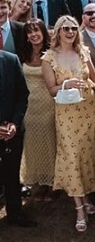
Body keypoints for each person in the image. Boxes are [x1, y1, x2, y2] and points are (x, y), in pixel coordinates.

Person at [41, 16, 95, 232]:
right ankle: (79, 207)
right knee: (71, 155)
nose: (70, 32)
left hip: (89, 111)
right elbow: (51, 89)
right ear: (58, 32)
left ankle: (86, 196)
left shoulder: (83, 52)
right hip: (67, 114)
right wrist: (66, 83)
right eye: (65, 28)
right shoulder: (49, 58)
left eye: (73, 28)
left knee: (87, 154)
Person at [18, 19, 57, 201]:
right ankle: (40, 182)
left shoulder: (51, 54)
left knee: (50, 141)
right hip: (29, 106)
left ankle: (52, 183)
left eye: (36, 31)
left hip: (48, 104)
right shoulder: (23, 54)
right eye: (29, 32)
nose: (33, 35)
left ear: (43, 32)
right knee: (32, 143)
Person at [0, 44, 33, 227]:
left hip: (12, 131)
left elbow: (22, 94)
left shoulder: (11, 60)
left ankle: (15, 213)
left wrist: (14, 123)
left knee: (12, 173)